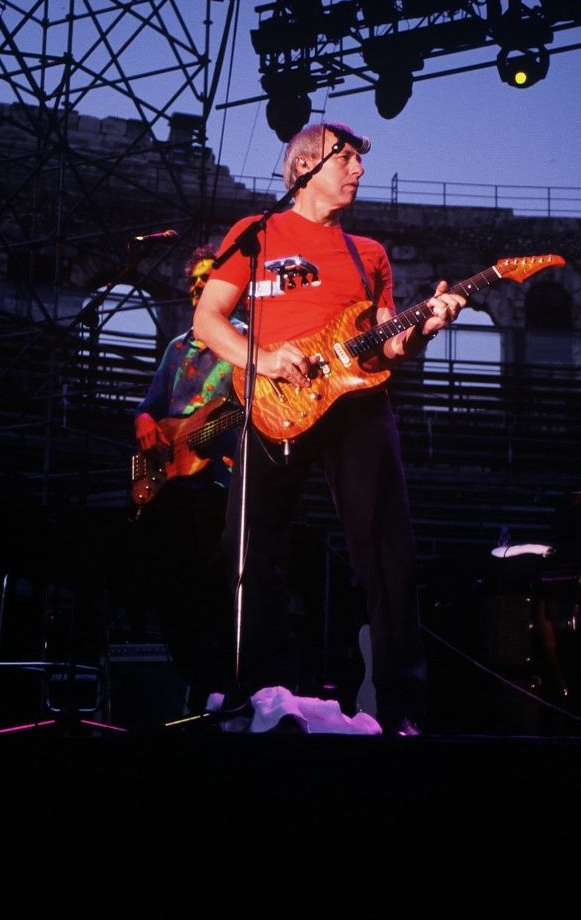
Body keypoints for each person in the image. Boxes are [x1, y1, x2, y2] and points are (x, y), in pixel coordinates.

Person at [192, 123, 466, 735]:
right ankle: (256, 692)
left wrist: (423, 328)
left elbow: (390, 344)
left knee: (388, 553)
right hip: (272, 402)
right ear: (304, 167)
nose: (359, 170)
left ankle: (402, 710)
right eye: (345, 159)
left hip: (357, 403)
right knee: (248, 549)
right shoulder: (255, 233)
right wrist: (263, 358)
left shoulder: (368, 253)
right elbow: (209, 320)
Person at [133, 244, 243, 716]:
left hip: (220, 484)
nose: (200, 286)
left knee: (213, 589)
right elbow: (150, 405)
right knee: (172, 587)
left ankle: (218, 691)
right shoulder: (177, 348)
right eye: (195, 280)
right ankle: (188, 687)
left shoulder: (246, 343)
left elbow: (252, 411)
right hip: (172, 484)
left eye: (208, 278)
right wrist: (143, 420)